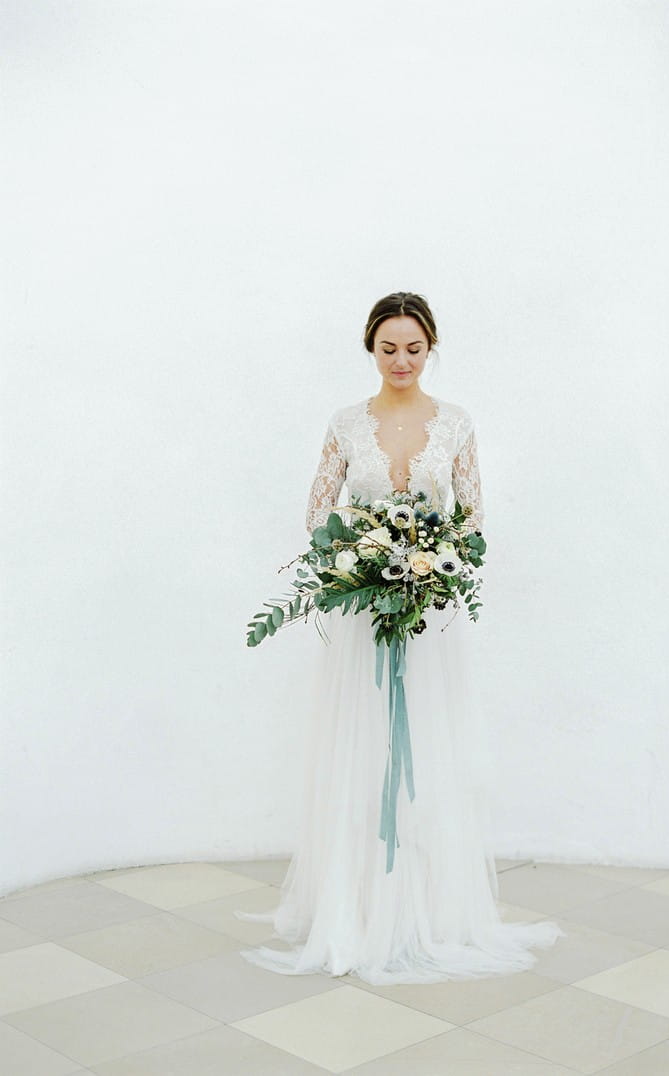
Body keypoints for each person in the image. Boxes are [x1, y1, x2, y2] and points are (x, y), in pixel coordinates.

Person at [234, 292, 566, 984]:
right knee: (360, 748)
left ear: (431, 347)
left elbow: (471, 520)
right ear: (370, 349)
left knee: (427, 749)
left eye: (414, 348)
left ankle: (427, 910)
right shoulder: (346, 424)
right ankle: (356, 907)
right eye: (389, 348)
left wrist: (427, 561)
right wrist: (364, 552)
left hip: (426, 620)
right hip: (363, 615)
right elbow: (317, 513)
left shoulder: (456, 426)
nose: (402, 360)